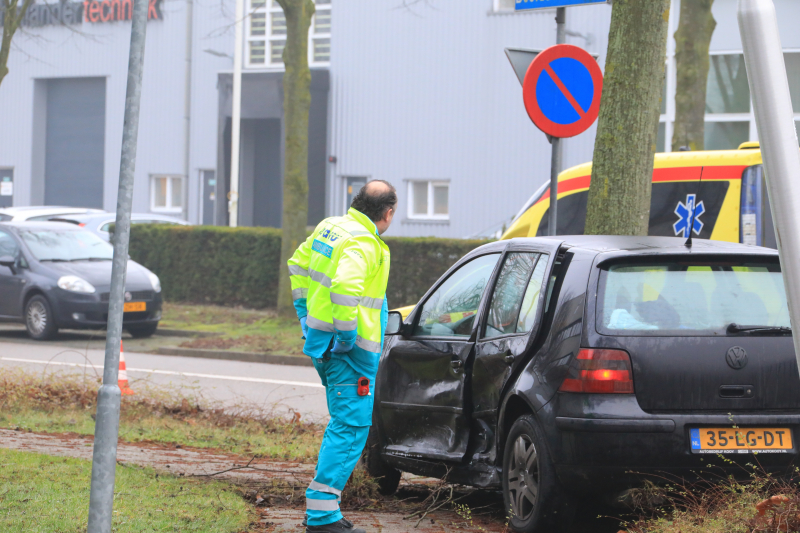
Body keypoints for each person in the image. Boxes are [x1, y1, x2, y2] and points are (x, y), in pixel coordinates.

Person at [288, 180, 397, 533]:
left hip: (322, 345)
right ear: (388, 212)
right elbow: (345, 287)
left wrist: (305, 316)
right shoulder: (366, 242)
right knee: (350, 428)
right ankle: (321, 518)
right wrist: (348, 338)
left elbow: (297, 265)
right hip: (348, 354)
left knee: (343, 423)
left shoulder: (331, 227)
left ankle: (324, 512)